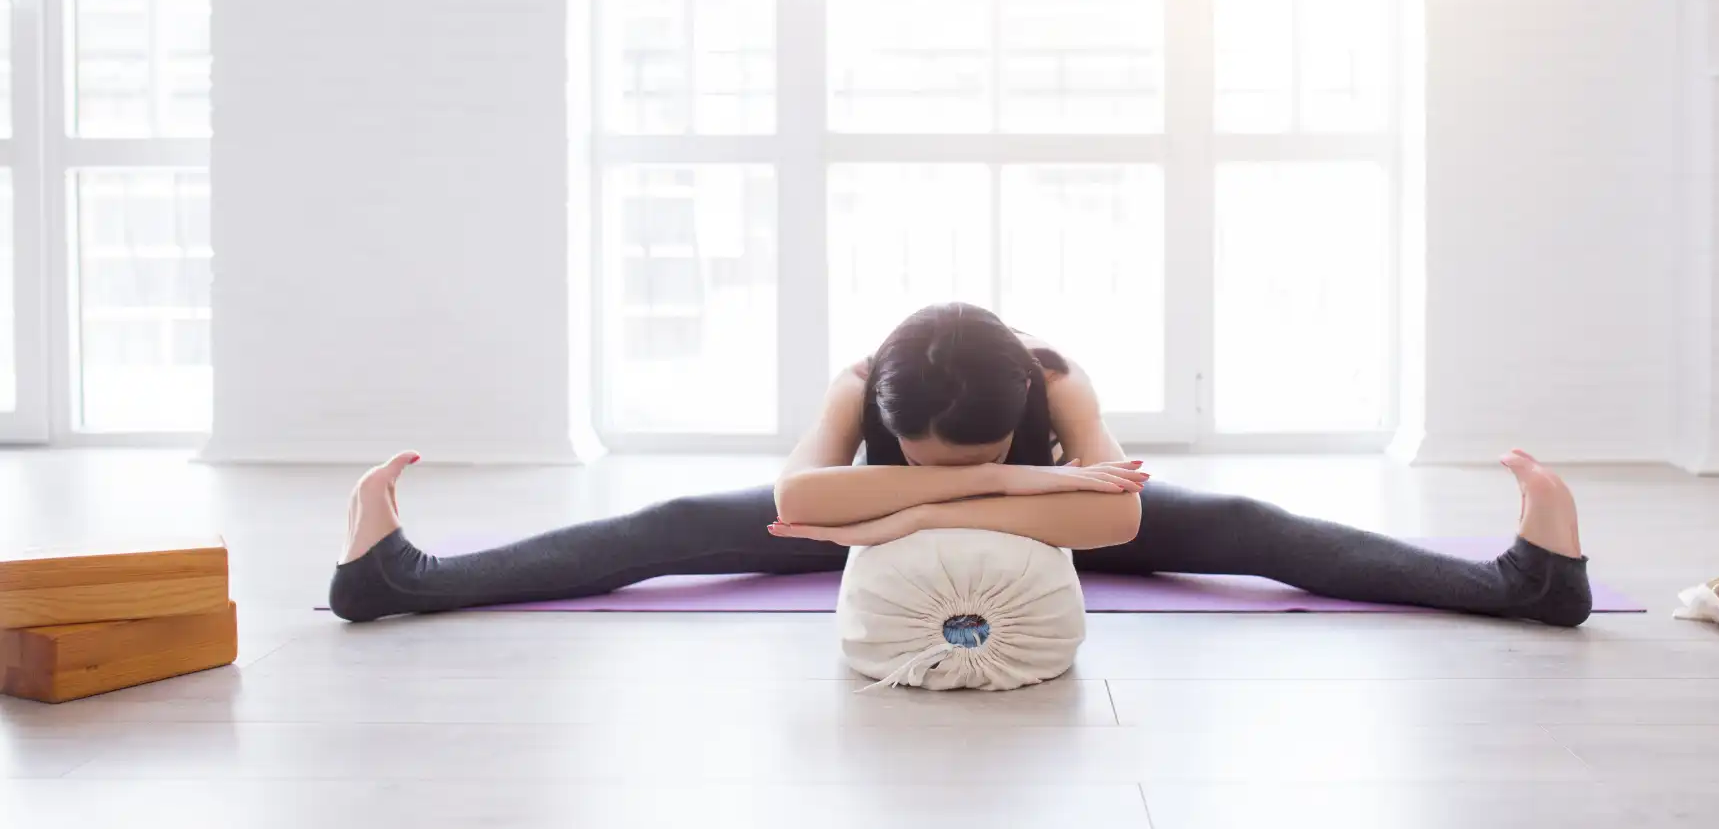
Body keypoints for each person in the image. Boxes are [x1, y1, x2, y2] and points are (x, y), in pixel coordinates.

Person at [330, 302, 1591, 627]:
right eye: (936, 454)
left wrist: (904, 510)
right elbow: (793, 502)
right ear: (887, 406)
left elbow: (1109, 525)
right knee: (657, 528)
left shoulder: (1055, 380)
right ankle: (399, 578)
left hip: (1015, 534)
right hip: (929, 525)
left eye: (984, 449)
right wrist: (996, 486)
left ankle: (1526, 584)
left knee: (1259, 527)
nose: (970, 462)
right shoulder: (855, 382)